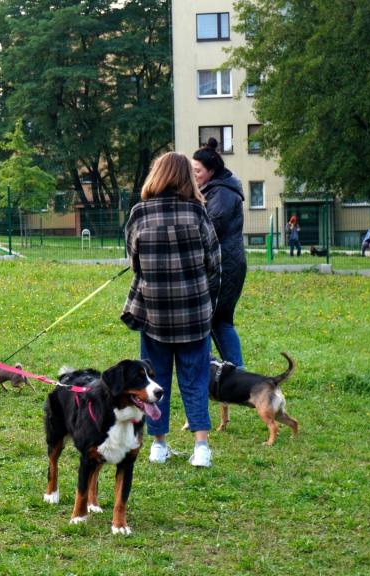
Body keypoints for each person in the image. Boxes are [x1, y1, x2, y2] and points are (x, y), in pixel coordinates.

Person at [122, 152, 221, 468]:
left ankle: (158, 445)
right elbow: (214, 264)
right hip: (194, 314)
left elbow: (134, 263)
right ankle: (201, 447)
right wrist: (206, 301)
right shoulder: (198, 213)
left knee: (155, 379)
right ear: (186, 178)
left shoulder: (139, 214)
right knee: (195, 378)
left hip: (154, 315)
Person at [193, 137, 246, 369]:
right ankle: (232, 372)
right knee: (218, 321)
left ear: (211, 171)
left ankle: (234, 372)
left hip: (224, 266)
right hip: (223, 264)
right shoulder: (215, 189)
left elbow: (210, 228)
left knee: (215, 320)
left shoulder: (222, 194)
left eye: (198, 171)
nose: (194, 175)